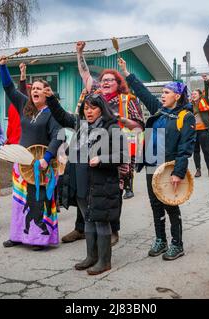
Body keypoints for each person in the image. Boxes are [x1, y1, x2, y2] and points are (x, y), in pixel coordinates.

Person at [61, 41, 145, 246]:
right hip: (88, 149)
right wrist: (79, 53)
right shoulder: (95, 97)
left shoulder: (127, 99)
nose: (105, 82)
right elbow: (85, 74)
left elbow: (139, 125)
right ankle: (81, 228)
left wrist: (122, 120)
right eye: (103, 79)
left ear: (118, 83)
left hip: (115, 152)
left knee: (112, 192)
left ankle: (112, 230)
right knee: (84, 189)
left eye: (110, 80)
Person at [119, 57, 196, 260]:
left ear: (177, 96)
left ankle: (177, 244)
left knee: (170, 204)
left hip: (169, 168)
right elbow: (143, 93)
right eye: (162, 93)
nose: (162, 96)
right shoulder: (159, 111)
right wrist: (127, 74)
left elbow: (185, 148)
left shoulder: (185, 117)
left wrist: (179, 172)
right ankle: (160, 239)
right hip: (152, 165)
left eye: (166, 93)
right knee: (155, 204)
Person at [46, 90, 125, 275]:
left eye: (93, 108)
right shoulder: (81, 126)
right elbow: (61, 115)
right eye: (86, 108)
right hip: (80, 183)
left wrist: (101, 159)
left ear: (102, 109)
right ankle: (91, 257)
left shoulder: (111, 127)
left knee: (101, 222)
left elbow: (123, 155)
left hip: (100, 184)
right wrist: (50, 98)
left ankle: (104, 261)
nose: (89, 112)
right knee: (88, 219)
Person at [0, 55, 63, 251]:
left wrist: (46, 158)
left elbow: (58, 137)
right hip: (21, 163)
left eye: (39, 89)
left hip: (42, 165)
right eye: (33, 88)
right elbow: (9, 88)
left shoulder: (53, 112)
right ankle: (17, 236)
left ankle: (38, 239)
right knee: (20, 202)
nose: (34, 91)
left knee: (39, 202)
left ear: (46, 93)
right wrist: (3, 67)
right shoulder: (24, 106)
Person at [191, 75, 209, 178]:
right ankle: (198, 170)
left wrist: (206, 81)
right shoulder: (190, 104)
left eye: (195, 93)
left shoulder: (204, 101)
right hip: (194, 131)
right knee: (195, 151)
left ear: (200, 95)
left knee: (206, 151)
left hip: (203, 130)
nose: (193, 95)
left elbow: (206, 90)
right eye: (192, 94)